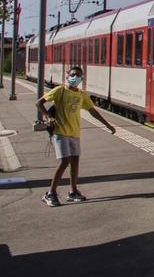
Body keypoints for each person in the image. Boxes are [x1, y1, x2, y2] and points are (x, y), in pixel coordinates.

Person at [35, 65, 116, 206]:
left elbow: (92, 111)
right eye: (73, 74)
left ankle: (73, 191)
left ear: (82, 79)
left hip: (74, 133)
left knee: (75, 162)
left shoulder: (81, 94)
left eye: (78, 76)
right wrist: (48, 116)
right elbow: (39, 103)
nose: (75, 78)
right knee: (64, 161)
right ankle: (50, 194)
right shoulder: (60, 90)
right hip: (60, 132)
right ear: (67, 76)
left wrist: (107, 124)